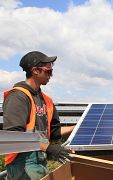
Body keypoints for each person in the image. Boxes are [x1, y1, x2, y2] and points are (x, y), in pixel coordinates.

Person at [3, 51, 75, 179]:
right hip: (22, 165)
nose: (51, 75)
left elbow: (54, 132)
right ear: (35, 70)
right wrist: (48, 148)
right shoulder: (18, 97)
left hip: (40, 161)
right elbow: (13, 138)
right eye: (48, 71)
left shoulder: (46, 101)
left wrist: (77, 128)